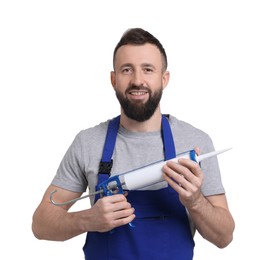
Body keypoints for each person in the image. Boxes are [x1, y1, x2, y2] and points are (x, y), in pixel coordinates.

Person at [32, 28, 235, 259]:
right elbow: (41, 225)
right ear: (113, 79)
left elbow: (224, 237)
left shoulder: (195, 142)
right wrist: (88, 219)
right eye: (127, 70)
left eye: (148, 69)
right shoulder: (88, 143)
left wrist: (195, 201)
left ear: (164, 78)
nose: (137, 80)